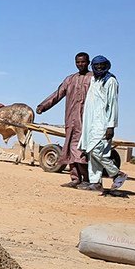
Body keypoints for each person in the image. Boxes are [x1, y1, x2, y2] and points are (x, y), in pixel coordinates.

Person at [36, 52, 92, 187]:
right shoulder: (70, 79)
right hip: (70, 120)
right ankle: (75, 179)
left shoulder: (93, 78)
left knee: (83, 150)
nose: (80, 64)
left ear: (88, 62)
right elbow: (58, 94)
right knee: (69, 148)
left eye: (83, 62)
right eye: (78, 62)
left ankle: (87, 179)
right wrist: (43, 106)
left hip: (87, 121)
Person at [78, 55, 128, 192]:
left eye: (102, 65)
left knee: (97, 151)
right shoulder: (94, 79)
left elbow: (112, 105)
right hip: (91, 123)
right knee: (91, 152)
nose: (99, 68)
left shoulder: (110, 81)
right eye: (97, 65)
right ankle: (95, 182)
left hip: (103, 124)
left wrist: (111, 126)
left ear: (107, 66)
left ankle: (117, 174)